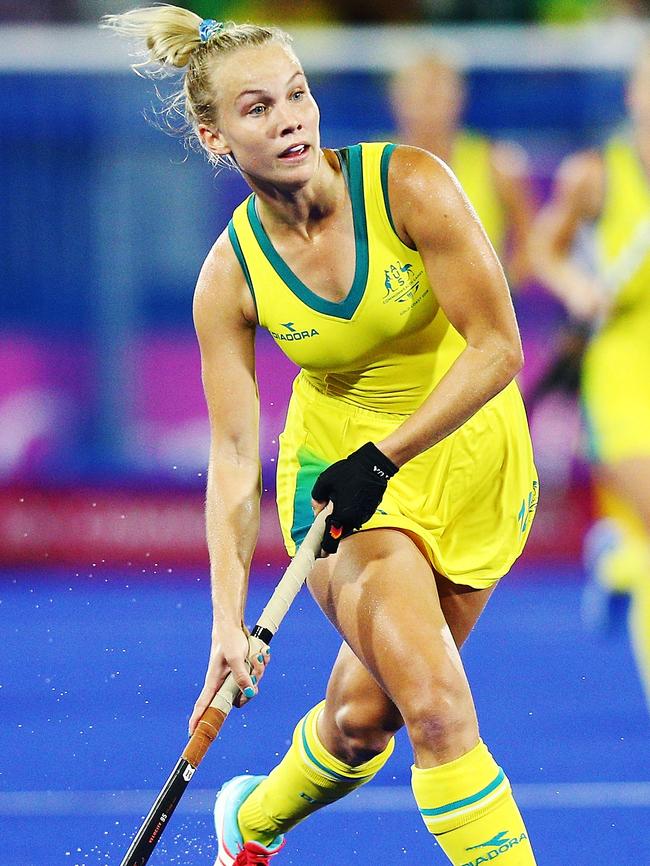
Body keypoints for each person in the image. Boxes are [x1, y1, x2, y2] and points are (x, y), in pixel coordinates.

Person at [105, 7, 539, 865]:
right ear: (214, 137)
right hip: (340, 484)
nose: (291, 118)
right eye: (258, 108)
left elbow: (499, 348)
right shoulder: (229, 278)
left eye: (296, 95)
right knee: (440, 712)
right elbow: (232, 457)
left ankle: (250, 824)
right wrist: (227, 622)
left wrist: (389, 455)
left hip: (467, 454)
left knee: (362, 718)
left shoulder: (410, 185)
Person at [529, 44, 650, 711]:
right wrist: (576, 284)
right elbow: (543, 249)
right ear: (633, 97)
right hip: (622, 374)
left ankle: (620, 555)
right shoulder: (595, 176)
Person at [389, 55, 535, 290]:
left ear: (458, 99)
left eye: (437, 97)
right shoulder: (373, 166)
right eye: (422, 97)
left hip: (475, 316)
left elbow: (528, 239)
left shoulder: (496, 163)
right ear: (398, 100)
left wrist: (501, 291)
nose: (430, 108)